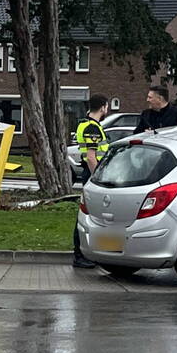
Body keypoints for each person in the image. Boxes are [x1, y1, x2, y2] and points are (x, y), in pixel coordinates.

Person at [72, 94, 109, 269]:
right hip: (92, 175)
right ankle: (80, 255)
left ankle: (89, 253)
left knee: (89, 215)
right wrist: (98, 178)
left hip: (89, 174)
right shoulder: (92, 129)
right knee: (87, 216)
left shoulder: (83, 124)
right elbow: (92, 158)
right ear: (103, 107)